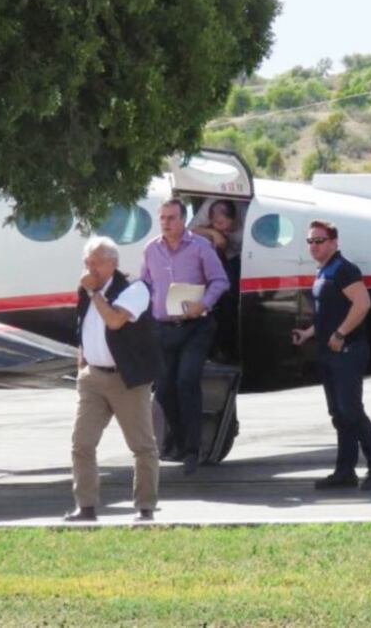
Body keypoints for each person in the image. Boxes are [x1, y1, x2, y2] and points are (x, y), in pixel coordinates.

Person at [66, 237, 164, 522]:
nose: (90, 268)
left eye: (95, 262)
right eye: (87, 262)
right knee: (82, 443)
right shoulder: (87, 290)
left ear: (113, 263)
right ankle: (85, 507)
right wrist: (82, 361)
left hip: (127, 379)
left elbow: (114, 320)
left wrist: (95, 291)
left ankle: (145, 508)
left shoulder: (135, 289)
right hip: (93, 377)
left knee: (142, 446)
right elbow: (83, 324)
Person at [291, 220, 371, 491]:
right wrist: (309, 333)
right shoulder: (324, 271)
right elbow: (328, 313)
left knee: (352, 411)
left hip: (347, 351)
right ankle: (345, 471)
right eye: (310, 241)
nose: (313, 246)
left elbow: (363, 303)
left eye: (319, 241)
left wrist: (340, 334)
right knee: (338, 413)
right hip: (328, 352)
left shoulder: (343, 269)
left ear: (334, 242)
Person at [141, 198, 228, 476]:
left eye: (172, 218)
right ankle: (178, 439)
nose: (166, 223)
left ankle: (193, 449)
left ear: (183, 219)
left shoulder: (200, 247)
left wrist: (203, 304)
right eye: (163, 218)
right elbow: (145, 284)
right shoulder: (151, 250)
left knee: (187, 381)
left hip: (195, 327)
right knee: (164, 390)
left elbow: (220, 280)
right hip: (163, 329)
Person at [188, 199, 243, 361]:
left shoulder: (245, 220)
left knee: (230, 301)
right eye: (213, 223)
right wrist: (214, 233)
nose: (217, 225)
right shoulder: (209, 208)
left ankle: (228, 349)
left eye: (221, 223)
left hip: (237, 258)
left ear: (232, 219)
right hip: (217, 257)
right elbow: (190, 230)